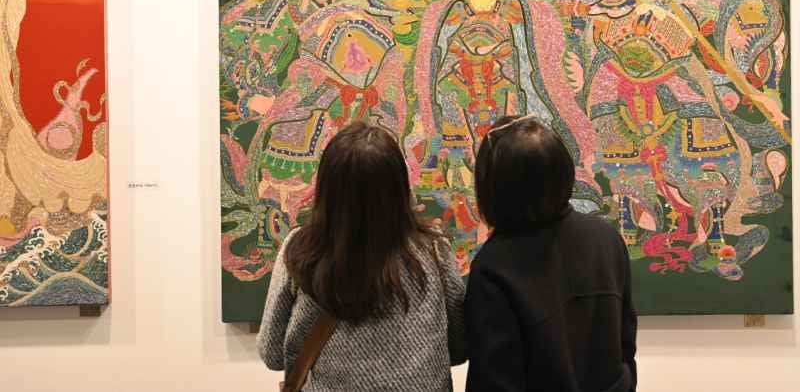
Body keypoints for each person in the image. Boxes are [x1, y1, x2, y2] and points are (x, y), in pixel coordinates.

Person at [257, 122, 466, 391]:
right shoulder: (434, 251)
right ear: (399, 187)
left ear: (327, 187)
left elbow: (272, 353)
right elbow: (458, 347)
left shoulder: (301, 250)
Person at [465, 115, 637, 392]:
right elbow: (625, 347)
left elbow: (494, 379)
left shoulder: (494, 265)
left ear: (494, 185)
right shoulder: (606, 238)